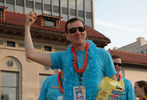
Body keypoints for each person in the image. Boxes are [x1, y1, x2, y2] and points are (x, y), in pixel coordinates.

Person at [25, 11, 117, 100]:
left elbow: (114, 85)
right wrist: (27, 27)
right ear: (67, 35)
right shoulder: (63, 57)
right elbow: (31, 55)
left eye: (81, 29)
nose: (78, 32)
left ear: (85, 32)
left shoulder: (102, 54)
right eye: (73, 30)